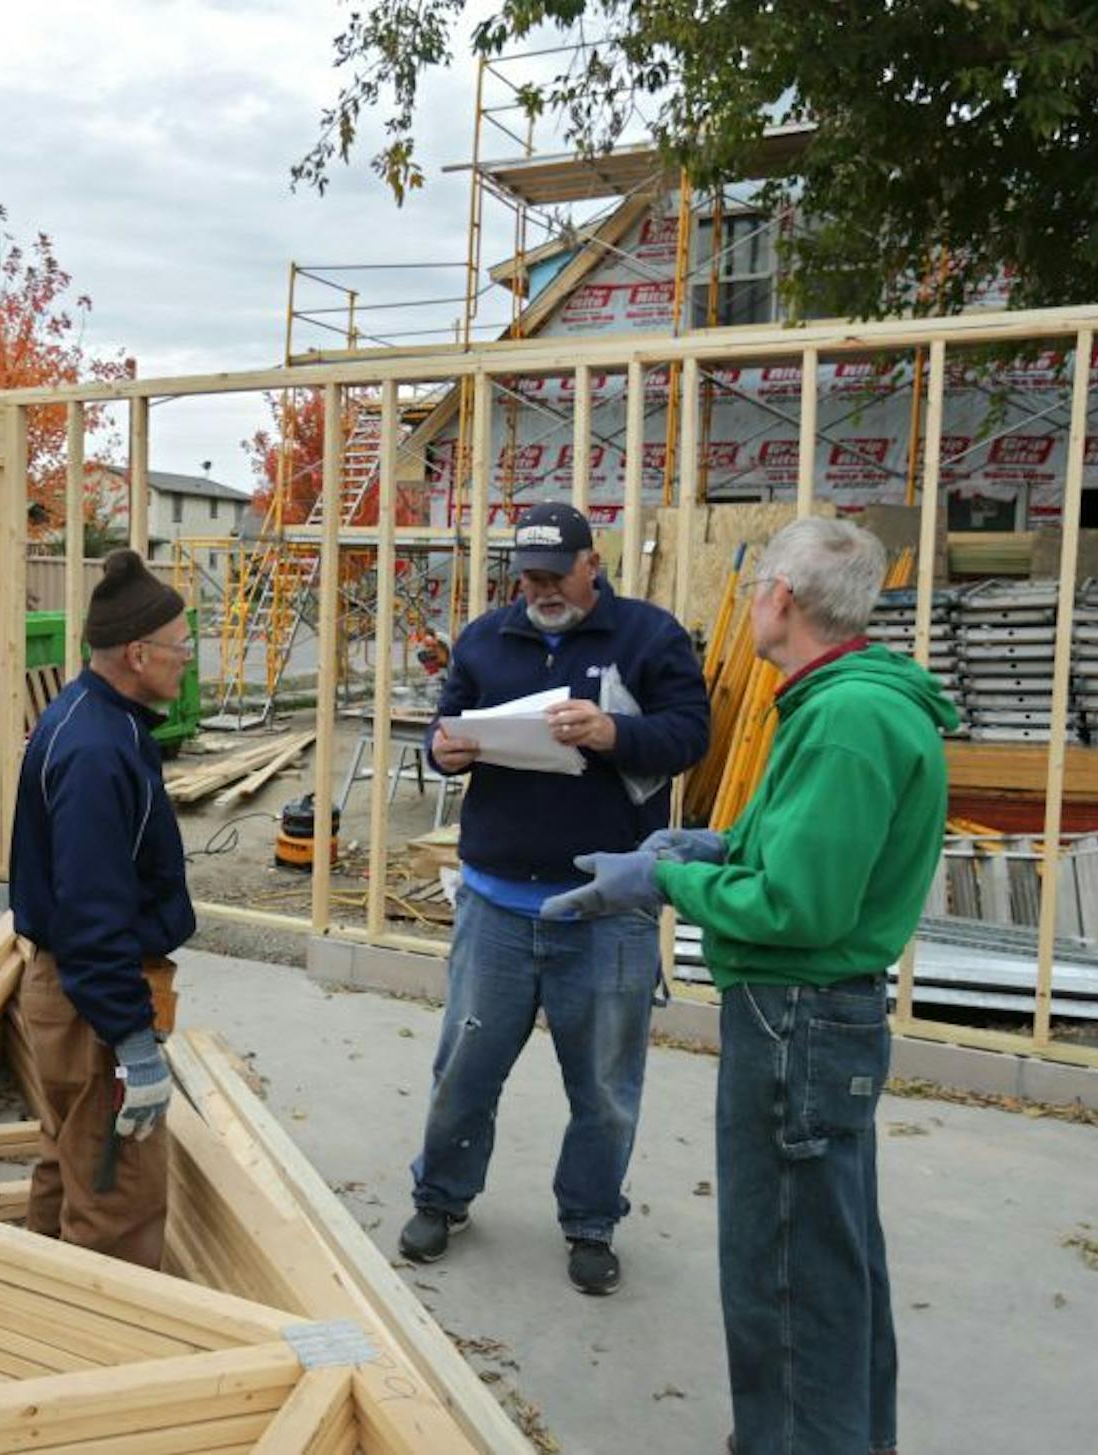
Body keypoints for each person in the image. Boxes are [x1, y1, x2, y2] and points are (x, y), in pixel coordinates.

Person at [542, 518, 952, 1455]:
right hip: (809, 1019)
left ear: (781, 600)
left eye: (760, 582)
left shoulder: (849, 720)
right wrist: (716, 846)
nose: (754, 596)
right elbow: (809, 858)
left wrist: (669, 879)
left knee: (786, 1268)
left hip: (797, 1022)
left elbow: (798, 907)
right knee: (826, 1257)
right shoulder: (839, 702)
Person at [399, 500, 710, 1296]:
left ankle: (591, 1220)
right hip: (496, 904)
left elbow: (689, 736)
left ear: (590, 563)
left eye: (553, 574)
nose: (538, 590)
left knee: (604, 1083)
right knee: (465, 1066)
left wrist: (612, 734)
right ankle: (441, 1197)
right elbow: (445, 731)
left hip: (605, 907)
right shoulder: (485, 640)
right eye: (526, 576)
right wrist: (448, 750)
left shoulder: (648, 637)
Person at [8, 549, 196, 1269]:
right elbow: (92, 916)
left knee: (74, 1160)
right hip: (91, 1002)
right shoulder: (96, 749)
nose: (187, 660)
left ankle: (44, 1309)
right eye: (180, 648)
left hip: (78, 992)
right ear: (138, 652)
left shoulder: (99, 718)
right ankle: (100, 1356)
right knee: (118, 1199)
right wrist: (132, 1038)